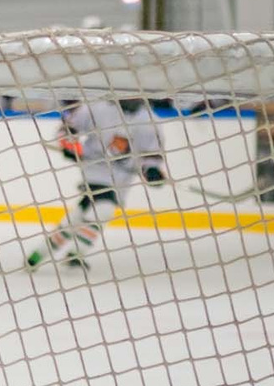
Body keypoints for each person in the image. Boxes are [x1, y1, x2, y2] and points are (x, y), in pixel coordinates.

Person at [25, 97, 170, 269]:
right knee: (104, 209)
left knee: (81, 214)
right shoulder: (97, 107)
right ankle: (75, 254)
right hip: (95, 169)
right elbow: (67, 128)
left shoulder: (150, 121)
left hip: (121, 177)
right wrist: (71, 146)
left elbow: (151, 157)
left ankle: (38, 254)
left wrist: (152, 171)